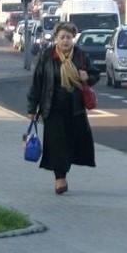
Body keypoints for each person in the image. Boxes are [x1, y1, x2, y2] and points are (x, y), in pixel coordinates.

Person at [26, 22, 100, 195]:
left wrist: (87, 76)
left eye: (69, 37)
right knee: (57, 144)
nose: (65, 41)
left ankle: (64, 170)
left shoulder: (80, 56)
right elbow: (37, 83)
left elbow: (95, 74)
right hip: (52, 107)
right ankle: (60, 179)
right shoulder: (47, 56)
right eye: (62, 37)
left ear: (73, 38)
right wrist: (32, 108)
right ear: (56, 39)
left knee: (72, 143)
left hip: (75, 109)